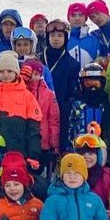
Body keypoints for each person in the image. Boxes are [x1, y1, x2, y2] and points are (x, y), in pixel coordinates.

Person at [0, 52, 43, 168]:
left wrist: (33, 155)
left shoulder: (27, 97)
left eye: (9, 71)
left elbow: (34, 130)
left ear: (16, 73)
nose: (5, 75)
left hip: (18, 153)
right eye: (1, 72)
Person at [40, 19, 81, 148]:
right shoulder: (38, 60)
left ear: (66, 38)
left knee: (59, 144)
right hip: (39, 111)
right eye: (52, 36)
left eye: (60, 36)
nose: (56, 39)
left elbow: (72, 93)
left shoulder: (72, 64)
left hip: (61, 113)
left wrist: (65, 106)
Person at [22, 60, 60, 172]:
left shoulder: (48, 94)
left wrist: (54, 146)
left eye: (37, 74)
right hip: (24, 141)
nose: (34, 77)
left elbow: (54, 120)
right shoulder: (21, 92)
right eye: (31, 73)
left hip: (43, 144)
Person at [65, 63, 110, 142]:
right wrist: (67, 147)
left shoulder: (107, 105)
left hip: (102, 148)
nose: (92, 88)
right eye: (88, 83)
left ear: (102, 84)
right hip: (78, 148)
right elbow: (66, 128)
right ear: (81, 84)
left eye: (96, 84)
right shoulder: (74, 105)